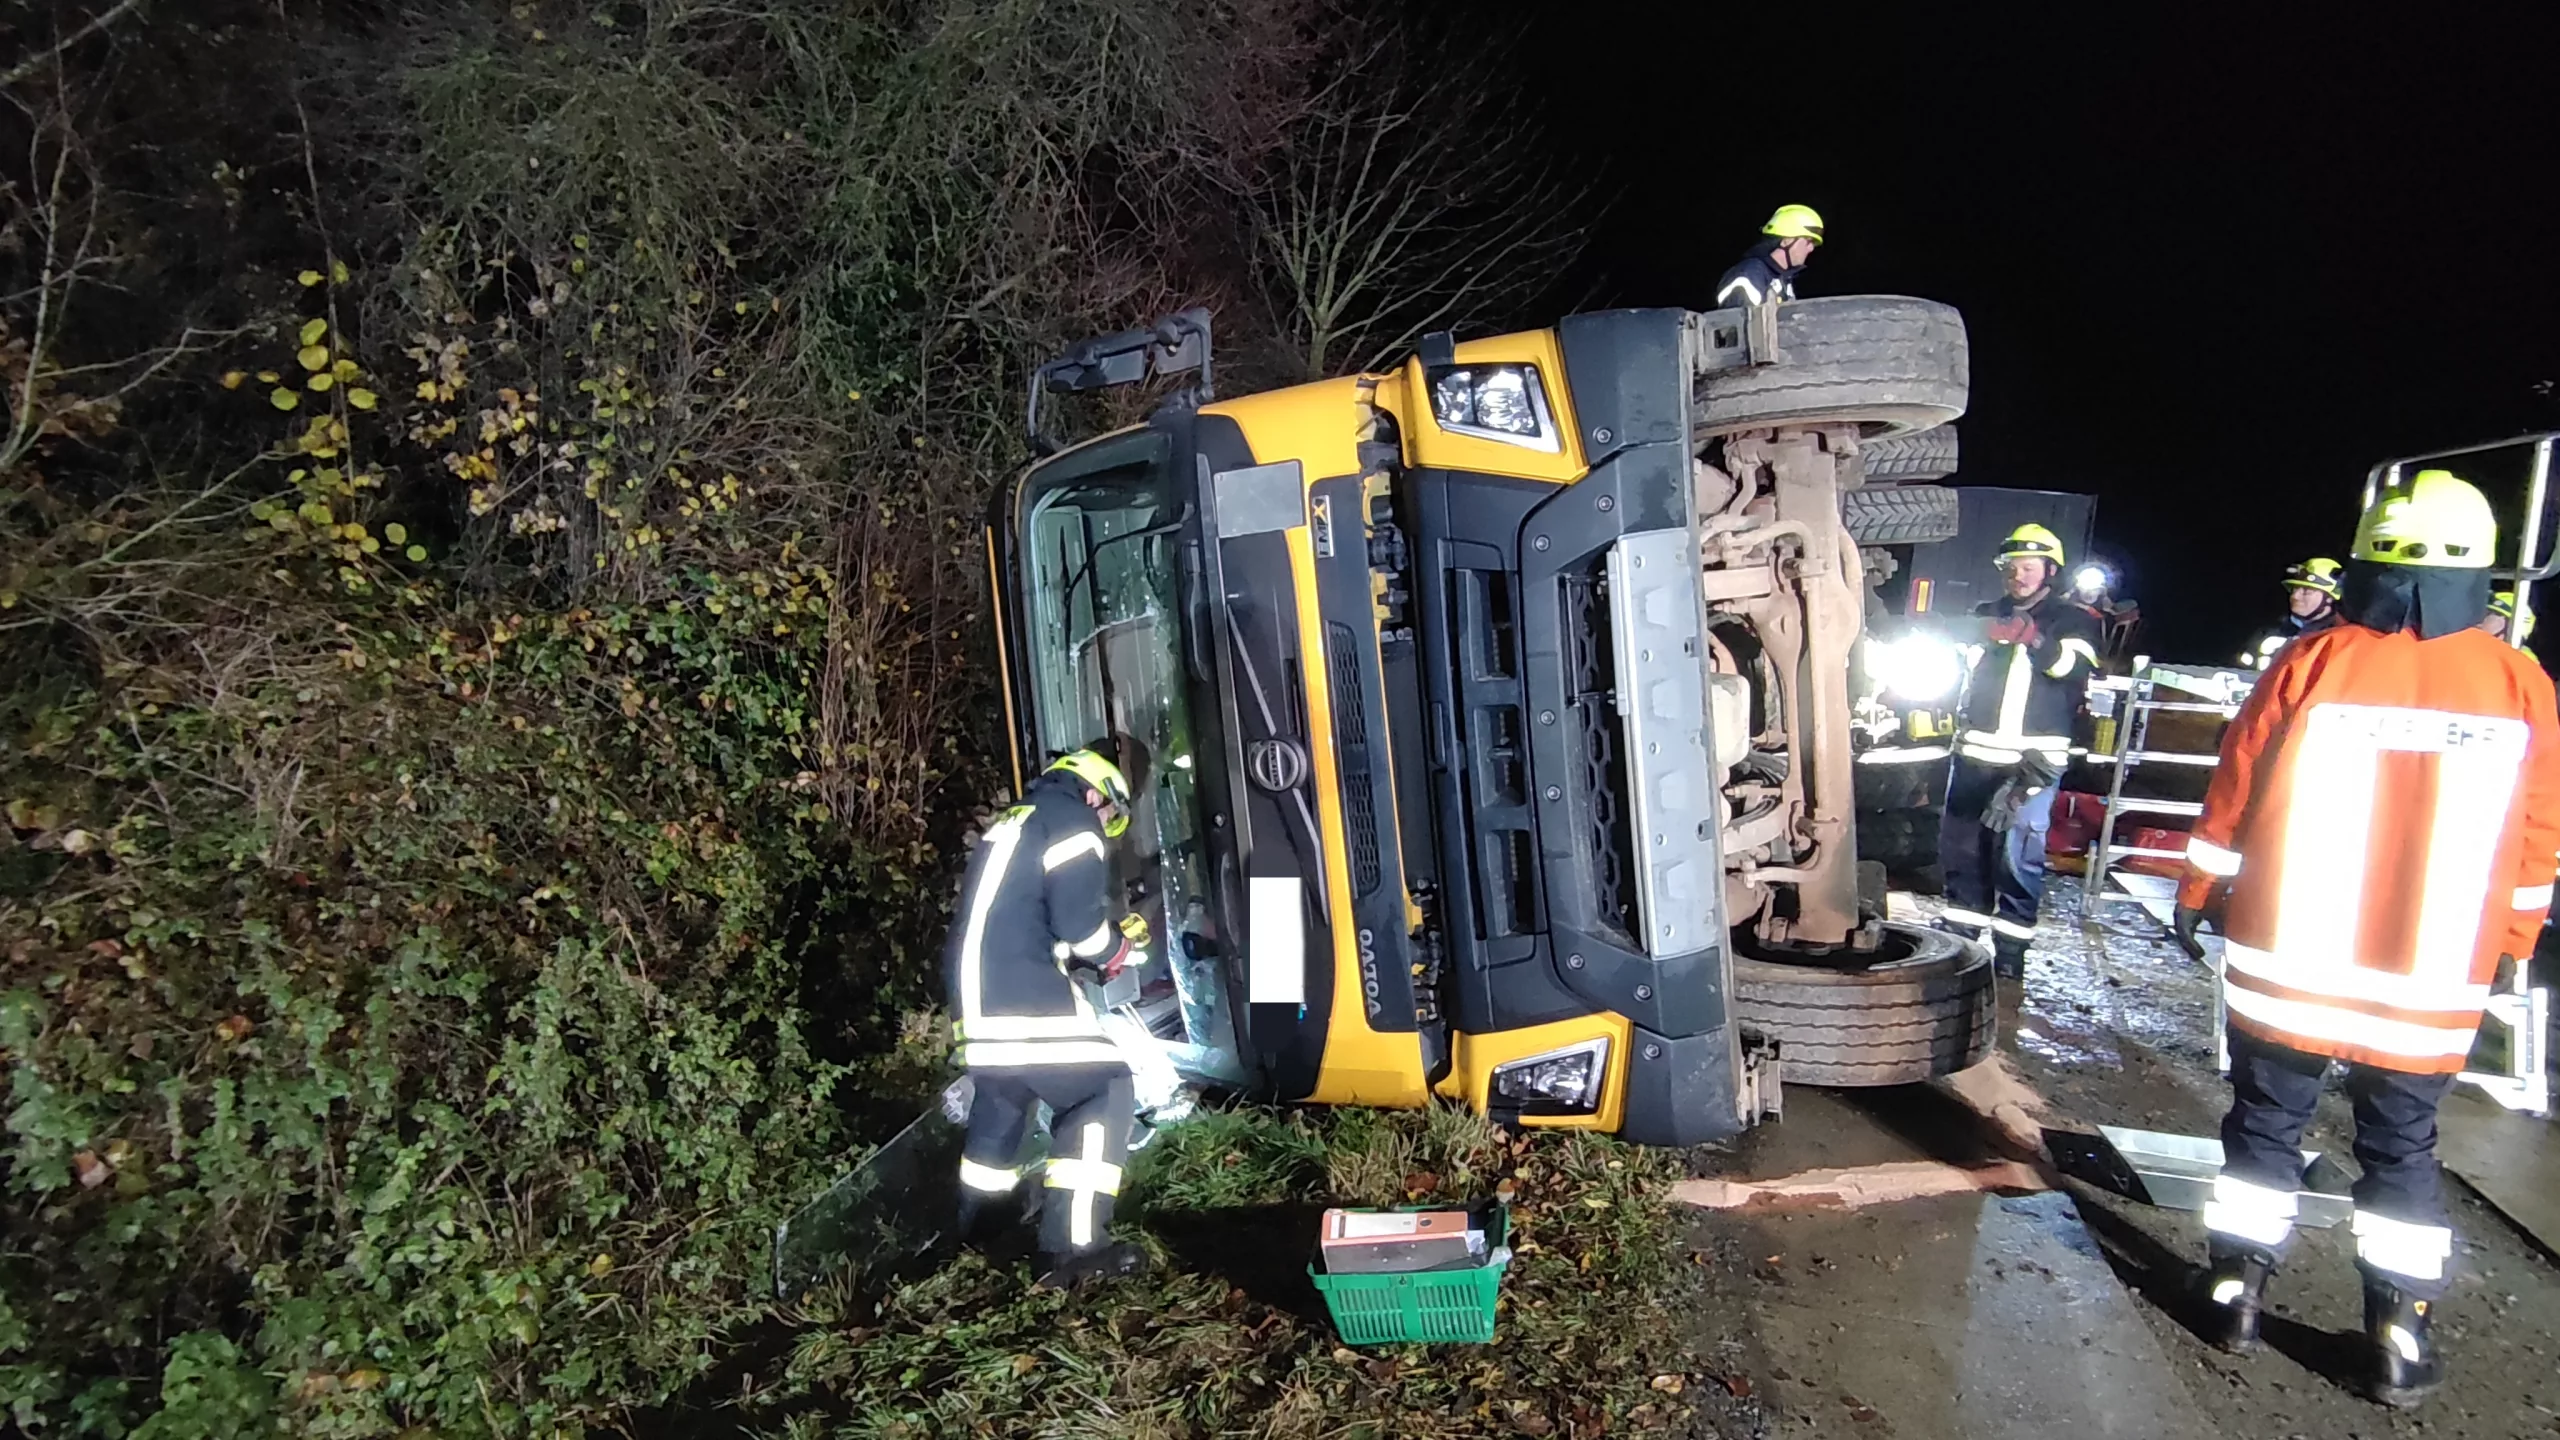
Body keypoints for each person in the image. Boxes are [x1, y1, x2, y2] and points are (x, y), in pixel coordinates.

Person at [2174, 470, 2560, 1407]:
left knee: (2266, 1127)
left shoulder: (2312, 660)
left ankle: (2235, 1297)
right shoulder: (2519, 682)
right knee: (2403, 1145)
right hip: (2429, 973)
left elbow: (2237, 788)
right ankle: (2397, 1335)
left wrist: (2199, 892)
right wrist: (2511, 935)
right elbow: (2540, 830)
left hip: (2290, 956)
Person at [946, 742, 1156, 1289]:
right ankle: (1072, 1251)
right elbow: (1080, 926)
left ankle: (979, 1236)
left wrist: (1086, 958)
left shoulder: (1019, 821)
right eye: (1110, 814)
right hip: (1018, 999)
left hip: (978, 1003)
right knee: (1102, 1088)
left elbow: (1022, 923)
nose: (1106, 827)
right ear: (1096, 792)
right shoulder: (1073, 820)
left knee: (1004, 1102)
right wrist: (1115, 950)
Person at [1938, 523, 2105, 979]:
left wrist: (2033, 638)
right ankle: (1959, 941)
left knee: (2017, 859)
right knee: (1962, 852)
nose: (2019, 575)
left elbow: (2071, 669)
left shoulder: (2075, 622)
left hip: (2031, 766)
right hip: (1973, 757)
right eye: (2012, 567)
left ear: (2048, 571)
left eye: (2029, 567)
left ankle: (2010, 956)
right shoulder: (1986, 615)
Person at [1713, 203, 1824, 307]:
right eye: (1808, 242)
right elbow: (1742, 324)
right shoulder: (1749, 275)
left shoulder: (1783, 280)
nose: (1811, 248)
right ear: (1786, 240)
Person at [2242, 557, 2343, 670]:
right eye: (2294, 589)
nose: (2295, 596)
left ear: (2330, 597)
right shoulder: (2269, 632)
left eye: (2307, 591)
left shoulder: (2342, 639)